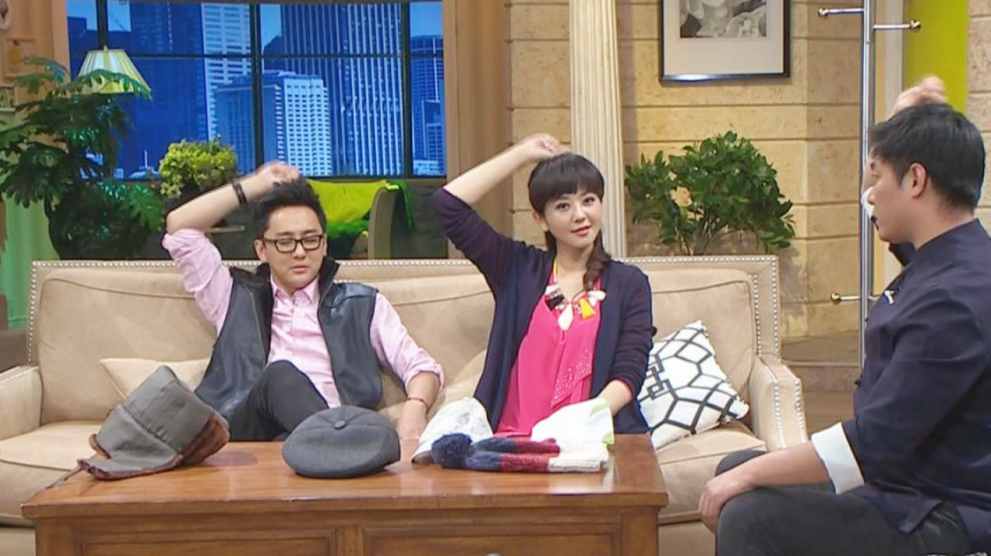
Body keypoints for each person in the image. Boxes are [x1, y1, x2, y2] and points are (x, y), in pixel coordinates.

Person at [699, 79, 991, 556]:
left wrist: (749, 478)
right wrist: (898, 129)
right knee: (739, 467)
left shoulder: (959, 297)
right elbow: (883, 206)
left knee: (750, 513)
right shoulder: (955, 257)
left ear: (916, 180)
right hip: (902, 487)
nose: (870, 193)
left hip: (941, 514)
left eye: (881, 175)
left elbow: (874, 443)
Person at [163, 162, 444, 447]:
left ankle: (333, 445)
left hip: (320, 431)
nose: (299, 252)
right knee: (280, 376)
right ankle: (344, 449)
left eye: (310, 240)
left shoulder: (362, 305)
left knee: (293, 439)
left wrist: (415, 407)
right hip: (247, 434)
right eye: (285, 242)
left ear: (324, 245)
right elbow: (180, 228)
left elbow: (422, 368)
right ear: (261, 249)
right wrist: (255, 184)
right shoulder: (232, 295)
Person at [430, 135, 655, 436]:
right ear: (541, 219)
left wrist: (586, 418)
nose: (580, 215)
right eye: (563, 206)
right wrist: (522, 154)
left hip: (592, 441)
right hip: (511, 440)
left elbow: (630, 369)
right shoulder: (516, 268)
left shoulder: (629, 284)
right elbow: (447, 205)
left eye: (588, 200)